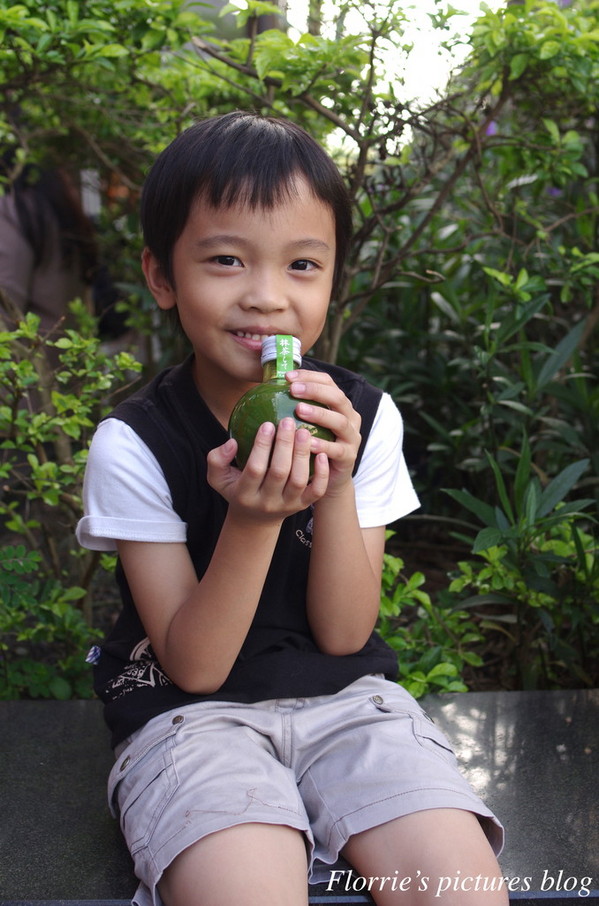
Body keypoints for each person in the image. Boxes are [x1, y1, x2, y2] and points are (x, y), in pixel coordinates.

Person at [76, 111, 506, 906]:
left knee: (462, 890)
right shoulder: (134, 444)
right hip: (187, 720)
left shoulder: (363, 418)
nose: (267, 297)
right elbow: (194, 667)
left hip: (352, 708)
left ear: (334, 277)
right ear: (161, 276)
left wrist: (335, 485)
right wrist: (253, 519)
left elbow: (345, 635)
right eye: (227, 260)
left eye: (302, 264)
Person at [0, 157, 98, 336]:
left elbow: (5, 306)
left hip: (30, 357)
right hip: (63, 354)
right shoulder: (56, 202)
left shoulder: (13, 211)